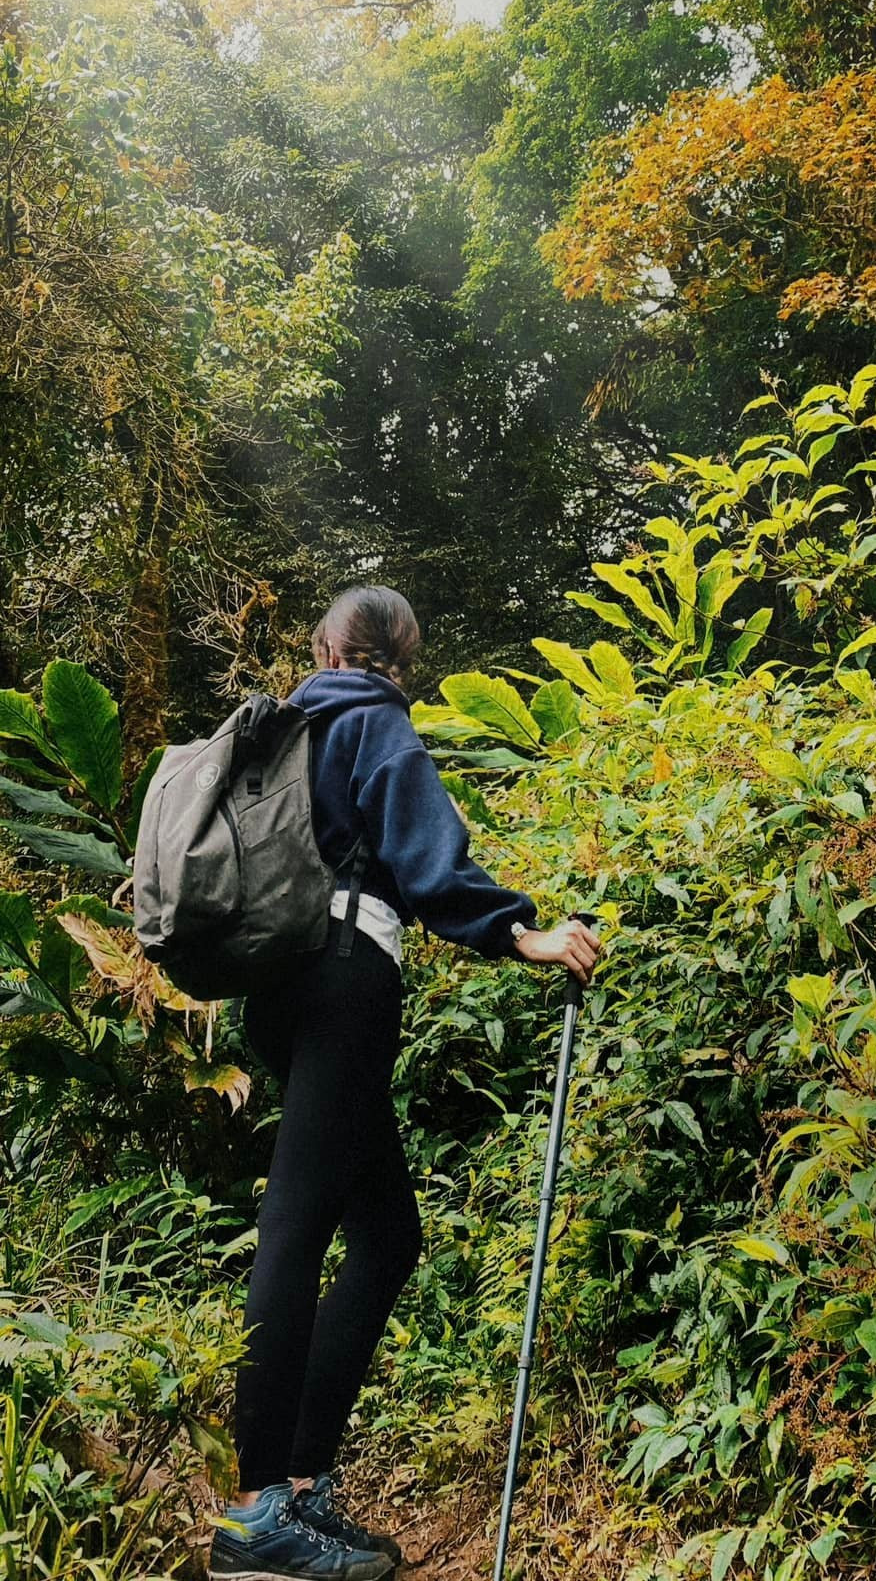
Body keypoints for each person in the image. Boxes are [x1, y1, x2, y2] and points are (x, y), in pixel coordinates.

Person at [209, 586, 601, 1581]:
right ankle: (255, 1513)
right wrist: (524, 930)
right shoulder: (374, 721)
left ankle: (298, 1483)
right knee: (299, 1220)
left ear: (322, 646)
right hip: (344, 975)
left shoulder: (287, 727)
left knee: (387, 1233)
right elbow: (430, 858)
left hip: (277, 986)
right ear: (400, 659)